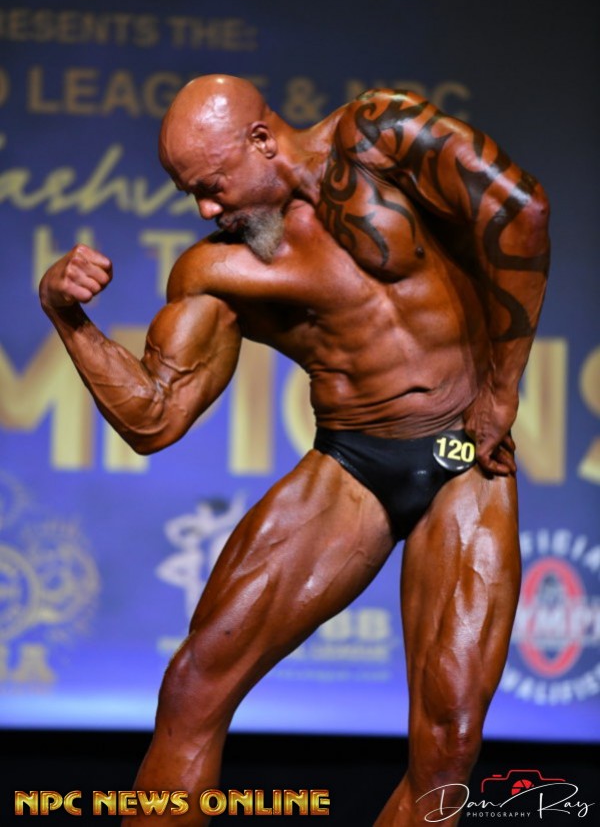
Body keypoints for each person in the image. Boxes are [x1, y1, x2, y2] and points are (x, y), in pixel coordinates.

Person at [39, 74, 550, 825]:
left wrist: (502, 388)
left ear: (261, 139)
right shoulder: (216, 272)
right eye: (190, 195)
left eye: (212, 186)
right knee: (195, 683)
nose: (205, 210)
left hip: (462, 458)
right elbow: (154, 420)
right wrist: (67, 316)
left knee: (449, 742)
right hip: (352, 467)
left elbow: (520, 210)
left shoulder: (380, 135)